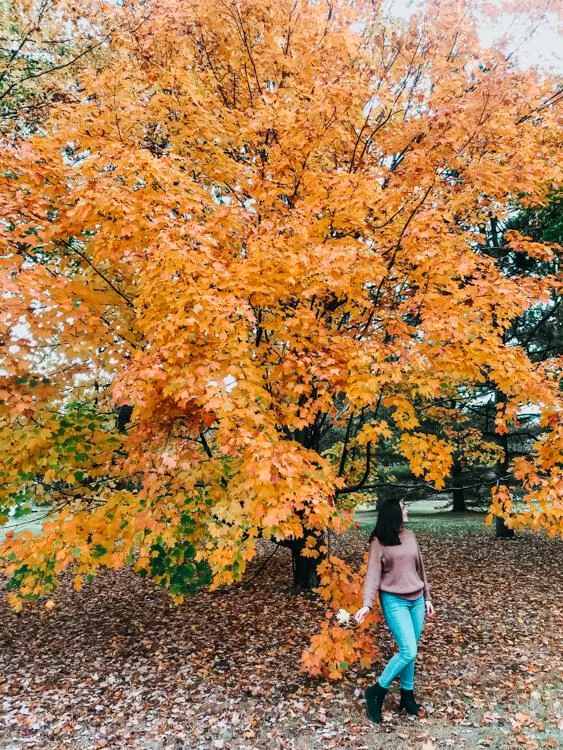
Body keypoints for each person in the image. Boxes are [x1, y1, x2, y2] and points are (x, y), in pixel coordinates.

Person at [355, 498, 434, 723]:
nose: (406, 510)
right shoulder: (379, 541)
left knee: (412, 649)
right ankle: (376, 691)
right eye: (403, 507)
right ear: (393, 513)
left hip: (417, 599)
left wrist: (427, 597)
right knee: (408, 650)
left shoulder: (410, 536)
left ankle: (407, 698)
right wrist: (367, 604)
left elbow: (420, 568)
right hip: (394, 600)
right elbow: (373, 575)